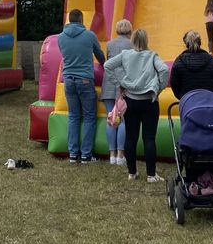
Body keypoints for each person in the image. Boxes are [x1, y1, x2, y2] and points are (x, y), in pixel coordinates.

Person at [104, 29, 169, 182]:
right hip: (149, 102)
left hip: (130, 101)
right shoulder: (152, 55)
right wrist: (159, 88)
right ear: (146, 40)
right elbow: (165, 70)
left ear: (132, 40)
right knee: (149, 138)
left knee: (131, 137)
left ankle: (132, 173)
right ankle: (151, 175)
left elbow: (107, 65)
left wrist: (119, 83)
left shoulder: (126, 55)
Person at [58, 9, 105, 164]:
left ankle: (73, 154)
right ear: (81, 20)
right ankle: (86, 154)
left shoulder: (61, 37)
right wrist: (105, 65)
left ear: (69, 20)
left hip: (68, 80)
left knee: (73, 116)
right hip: (85, 79)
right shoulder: (89, 35)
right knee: (90, 117)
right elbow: (99, 55)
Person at [100, 19, 134, 166]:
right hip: (124, 84)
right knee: (123, 120)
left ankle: (111, 155)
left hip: (108, 83)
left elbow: (108, 62)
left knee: (111, 119)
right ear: (129, 31)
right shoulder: (132, 44)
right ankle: (121, 154)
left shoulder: (109, 44)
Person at [169, 30, 213, 100]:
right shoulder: (211, 60)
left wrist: (181, 96)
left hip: (187, 100)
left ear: (186, 44)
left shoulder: (179, 61)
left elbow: (174, 83)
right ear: (200, 43)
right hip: (209, 99)